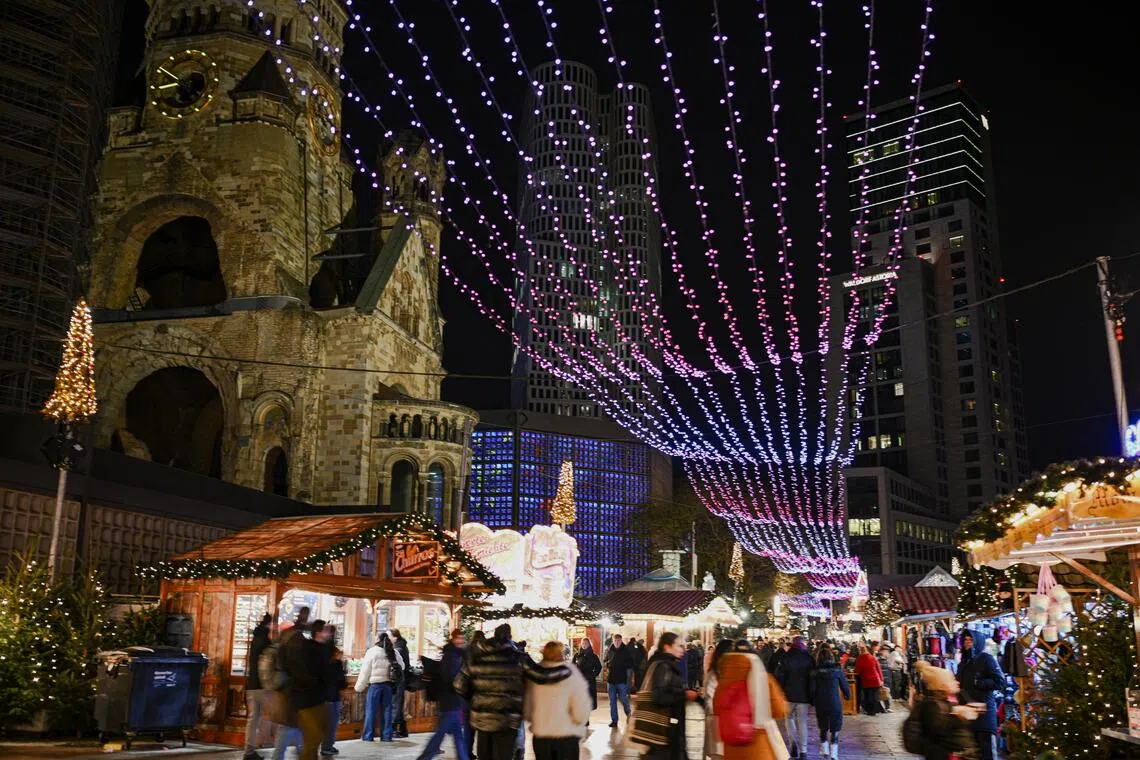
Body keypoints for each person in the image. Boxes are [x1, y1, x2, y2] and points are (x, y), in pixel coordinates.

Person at [456, 623, 556, 760]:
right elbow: (542, 677)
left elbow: (458, 685)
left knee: (484, 756)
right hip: (507, 720)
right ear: (510, 637)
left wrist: (476, 699)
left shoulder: (475, 657)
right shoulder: (519, 658)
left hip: (483, 720)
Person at [715, 640, 789, 760]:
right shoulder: (764, 679)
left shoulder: (723, 680)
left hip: (731, 742)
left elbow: (716, 708)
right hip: (758, 743)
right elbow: (779, 711)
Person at [524, 641, 592, 760]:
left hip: (542, 736)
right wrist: (580, 721)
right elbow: (580, 709)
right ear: (561, 653)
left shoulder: (536, 673)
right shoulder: (571, 673)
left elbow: (528, 707)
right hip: (566, 735)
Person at [643, 632, 699, 760]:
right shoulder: (663, 666)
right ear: (667, 647)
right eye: (679, 646)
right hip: (664, 729)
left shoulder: (668, 664)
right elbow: (659, 696)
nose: (682, 650)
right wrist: (684, 694)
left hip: (669, 729)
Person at [279, 618, 329, 760]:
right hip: (306, 698)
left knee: (314, 738)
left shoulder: (312, 648)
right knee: (313, 738)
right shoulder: (306, 649)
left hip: (312, 697)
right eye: (325, 630)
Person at [417, 629, 469, 760]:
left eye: (462, 638)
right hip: (450, 700)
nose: (461, 641)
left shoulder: (456, 654)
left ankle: (463, 757)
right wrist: (461, 687)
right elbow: (450, 678)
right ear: (453, 639)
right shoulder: (451, 656)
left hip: (453, 700)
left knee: (456, 733)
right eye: (458, 638)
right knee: (441, 733)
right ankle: (425, 757)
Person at [956, 629, 1004, 760]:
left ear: (977, 642)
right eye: (965, 640)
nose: (968, 642)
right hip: (968, 714)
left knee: (986, 753)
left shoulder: (986, 658)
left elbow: (1000, 682)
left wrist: (980, 683)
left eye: (971, 640)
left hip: (984, 714)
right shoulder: (963, 662)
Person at [914, 662, 977, 760]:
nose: (957, 682)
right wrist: (958, 716)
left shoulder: (950, 699)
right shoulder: (932, 705)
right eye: (952, 680)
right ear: (941, 686)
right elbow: (938, 729)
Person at [775, 636, 812, 760]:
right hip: (804, 695)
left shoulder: (786, 657)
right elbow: (812, 677)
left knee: (789, 719)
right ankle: (803, 751)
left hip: (788, 694)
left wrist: (782, 689)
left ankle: (793, 743)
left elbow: (780, 675)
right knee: (802, 722)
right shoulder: (808, 657)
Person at [355, 632, 397, 742]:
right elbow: (402, 666)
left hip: (375, 686)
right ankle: (386, 736)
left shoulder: (372, 651)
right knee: (387, 712)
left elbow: (365, 671)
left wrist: (359, 687)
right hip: (388, 686)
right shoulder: (393, 651)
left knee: (371, 711)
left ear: (378, 639)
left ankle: (368, 736)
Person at [809, 645, 849, 760]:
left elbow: (812, 689)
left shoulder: (814, 672)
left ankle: (825, 751)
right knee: (835, 728)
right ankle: (834, 754)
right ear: (831, 657)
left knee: (823, 727)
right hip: (834, 701)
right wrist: (847, 695)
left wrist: (812, 700)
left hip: (821, 702)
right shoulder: (837, 670)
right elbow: (844, 685)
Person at [243, 613, 274, 760]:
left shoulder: (255, 639)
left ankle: (249, 751)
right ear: (269, 625)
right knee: (275, 717)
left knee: (253, 719)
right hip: (262, 686)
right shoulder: (265, 642)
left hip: (251, 684)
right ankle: (266, 744)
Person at [703, 640, 735, 760]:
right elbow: (711, 702)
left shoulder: (732, 673)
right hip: (717, 722)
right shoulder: (714, 674)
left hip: (729, 724)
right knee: (718, 754)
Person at [318, 625, 346, 757]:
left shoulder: (317, 651)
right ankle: (327, 746)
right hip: (331, 694)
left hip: (319, 694)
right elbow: (340, 680)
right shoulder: (334, 656)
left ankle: (319, 745)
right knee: (331, 723)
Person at [603, 633, 634, 728]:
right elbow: (605, 660)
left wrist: (621, 664)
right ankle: (614, 720)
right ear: (613, 641)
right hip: (611, 680)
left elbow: (631, 663)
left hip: (621, 679)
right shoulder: (610, 650)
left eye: (618, 641)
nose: (616, 642)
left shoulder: (626, 650)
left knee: (623, 698)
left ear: (621, 641)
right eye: (615, 640)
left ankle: (628, 713)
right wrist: (608, 664)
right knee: (612, 701)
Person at [572, 638, 602, 722]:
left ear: (589, 644)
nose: (584, 645)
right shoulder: (577, 655)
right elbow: (572, 666)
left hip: (589, 681)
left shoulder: (593, 656)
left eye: (586, 643)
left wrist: (593, 675)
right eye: (583, 643)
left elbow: (599, 667)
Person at [390, 629, 411, 738]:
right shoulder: (401, 645)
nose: (388, 639)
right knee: (398, 703)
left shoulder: (399, 648)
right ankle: (402, 729)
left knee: (396, 703)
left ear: (395, 637)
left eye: (389, 636)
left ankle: (394, 729)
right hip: (401, 679)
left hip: (399, 679)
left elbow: (396, 663)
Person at [853, 645, 883, 717]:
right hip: (875, 679)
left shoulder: (860, 658)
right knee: (874, 696)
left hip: (866, 680)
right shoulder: (872, 657)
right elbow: (878, 669)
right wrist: (881, 679)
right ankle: (873, 711)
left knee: (867, 696)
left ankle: (869, 710)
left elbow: (858, 670)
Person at [875, 644, 893, 713]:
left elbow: (888, 670)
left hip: (887, 679)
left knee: (886, 693)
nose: (888, 653)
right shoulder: (877, 660)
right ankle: (880, 708)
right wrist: (880, 680)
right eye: (886, 651)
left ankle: (887, 707)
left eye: (888, 652)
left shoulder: (887, 660)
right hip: (881, 680)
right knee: (880, 694)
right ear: (882, 651)